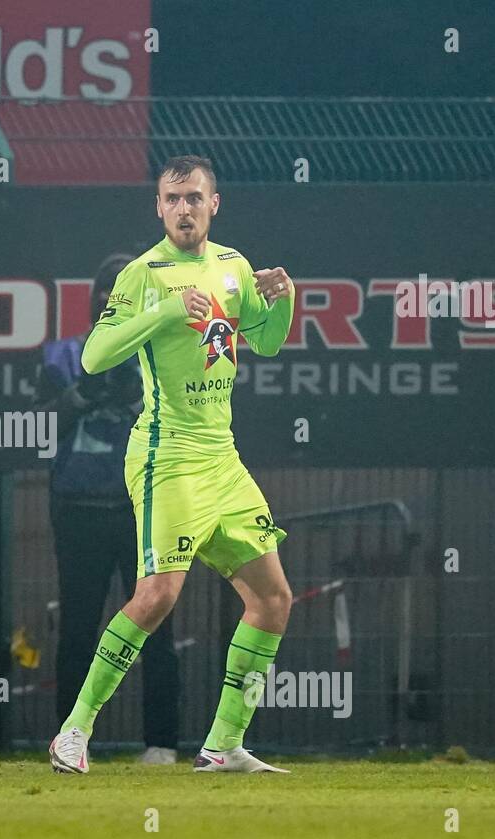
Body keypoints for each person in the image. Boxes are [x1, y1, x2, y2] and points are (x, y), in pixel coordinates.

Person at [48, 156, 297, 775]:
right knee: (157, 595)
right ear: (158, 208)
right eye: (171, 199)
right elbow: (96, 357)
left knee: (273, 599)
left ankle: (222, 746)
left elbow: (264, 341)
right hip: (167, 454)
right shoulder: (142, 274)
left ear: (215, 204)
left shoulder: (235, 266)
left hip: (223, 458)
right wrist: (164, 311)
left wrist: (281, 301)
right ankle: (73, 733)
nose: (182, 208)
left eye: (193, 197)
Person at [36, 253, 181, 764]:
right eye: (103, 289)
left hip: (145, 508)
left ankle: (162, 743)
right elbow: (41, 424)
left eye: (120, 289)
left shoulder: (168, 352)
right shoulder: (63, 354)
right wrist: (87, 392)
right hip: (79, 507)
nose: (109, 297)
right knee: (78, 628)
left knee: (155, 624)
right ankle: (68, 740)